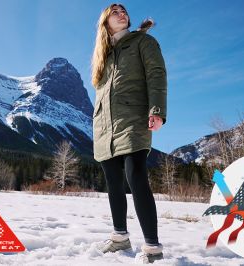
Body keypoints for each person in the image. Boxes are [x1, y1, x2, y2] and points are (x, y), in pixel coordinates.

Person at [91, 3, 167, 264]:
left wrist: (156, 110)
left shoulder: (142, 42)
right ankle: (120, 236)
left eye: (124, 11)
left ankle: (153, 248)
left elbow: (156, 75)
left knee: (135, 176)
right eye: (116, 12)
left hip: (133, 119)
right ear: (105, 22)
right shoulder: (103, 56)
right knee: (113, 181)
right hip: (105, 127)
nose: (122, 14)